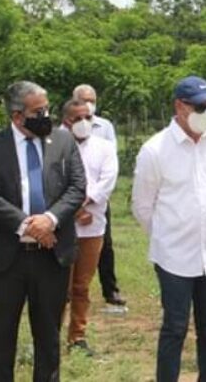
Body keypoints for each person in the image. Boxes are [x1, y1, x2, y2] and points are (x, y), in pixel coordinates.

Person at [0, 81, 86, 382]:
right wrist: (27, 225)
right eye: (39, 111)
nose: (46, 115)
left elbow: (77, 188)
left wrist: (49, 220)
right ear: (18, 115)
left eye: (47, 108)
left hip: (51, 256)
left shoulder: (63, 141)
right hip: (5, 259)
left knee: (48, 337)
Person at [131, 76, 206, 382]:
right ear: (179, 106)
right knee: (175, 327)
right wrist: (168, 235)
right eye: (199, 106)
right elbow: (142, 206)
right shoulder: (155, 150)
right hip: (174, 257)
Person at [59, 99, 118, 356]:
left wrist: (85, 204)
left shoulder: (104, 148)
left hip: (92, 227)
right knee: (59, 286)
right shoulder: (54, 146)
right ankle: (50, 334)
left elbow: (106, 181)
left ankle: (77, 337)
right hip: (61, 227)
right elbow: (52, 183)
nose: (83, 123)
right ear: (66, 121)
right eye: (77, 118)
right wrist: (72, 211)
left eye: (88, 117)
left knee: (82, 286)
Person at [73, 84, 125, 307]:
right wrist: (75, 201)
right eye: (84, 100)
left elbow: (109, 164)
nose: (89, 104)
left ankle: (110, 289)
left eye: (92, 100)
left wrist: (91, 197)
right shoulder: (64, 130)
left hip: (98, 200)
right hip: (69, 201)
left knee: (105, 244)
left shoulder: (105, 126)